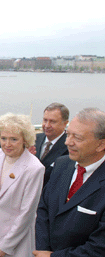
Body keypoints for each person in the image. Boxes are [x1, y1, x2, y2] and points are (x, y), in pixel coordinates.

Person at [34, 108, 105, 257]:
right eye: (68, 134)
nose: (67, 142)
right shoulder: (61, 164)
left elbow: (99, 246)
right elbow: (43, 208)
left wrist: (53, 256)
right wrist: (43, 249)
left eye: (77, 138)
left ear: (100, 145)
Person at [0, 113, 44, 257]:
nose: (7, 144)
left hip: (17, 241)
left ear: (25, 140)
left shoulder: (34, 168)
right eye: (3, 138)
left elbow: (27, 213)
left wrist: (5, 246)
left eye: (14, 139)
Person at [32, 103, 69, 186]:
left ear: (65, 123)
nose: (47, 125)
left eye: (52, 121)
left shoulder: (70, 146)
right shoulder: (33, 140)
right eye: (45, 120)